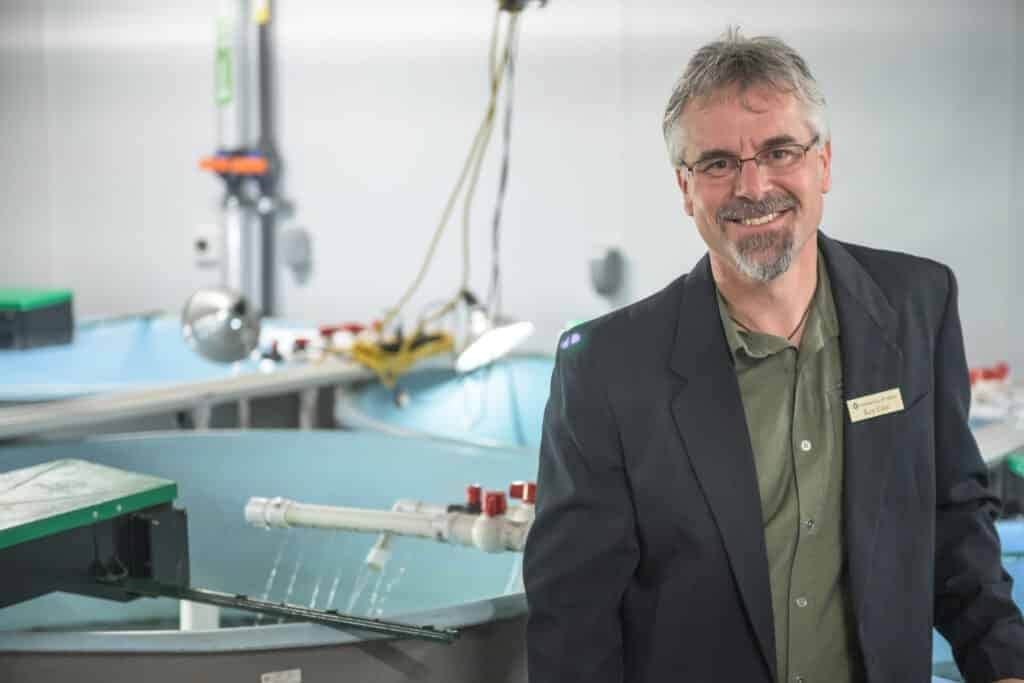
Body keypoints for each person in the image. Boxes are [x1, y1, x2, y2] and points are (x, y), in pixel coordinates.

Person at [523, 28, 1024, 683]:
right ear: (685, 187)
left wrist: (1005, 664)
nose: (754, 186)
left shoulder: (916, 306)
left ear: (824, 162)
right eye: (718, 162)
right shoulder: (608, 369)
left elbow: (953, 519)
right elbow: (573, 620)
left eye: (779, 150)